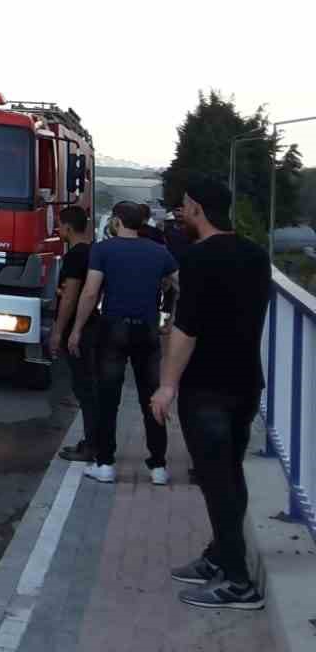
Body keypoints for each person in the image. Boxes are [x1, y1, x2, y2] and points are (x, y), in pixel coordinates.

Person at [151, 174, 271, 611]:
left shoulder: (199, 258)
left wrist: (166, 385)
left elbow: (186, 329)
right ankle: (219, 557)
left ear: (199, 209)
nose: (180, 213)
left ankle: (238, 583)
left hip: (208, 390)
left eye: (184, 205)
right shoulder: (257, 256)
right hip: (245, 384)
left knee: (216, 481)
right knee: (230, 475)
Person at [69, 200, 178, 484]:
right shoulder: (160, 252)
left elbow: (91, 292)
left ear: (116, 221)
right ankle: (158, 468)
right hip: (148, 330)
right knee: (151, 398)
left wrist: (77, 329)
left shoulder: (103, 250)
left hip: (113, 329)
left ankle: (105, 464)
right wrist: (171, 318)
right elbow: (179, 284)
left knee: (108, 398)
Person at [49, 205, 99, 463]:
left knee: (84, 388)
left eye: (59, 225)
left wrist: (58, 331)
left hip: (79, 329)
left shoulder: (75, 256)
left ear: (68, 227)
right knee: (90, 388)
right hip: (94, 326)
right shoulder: (93, 252)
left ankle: (92, 445)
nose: (58, 230)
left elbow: (71, 296)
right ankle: (94, 441)